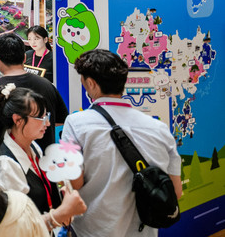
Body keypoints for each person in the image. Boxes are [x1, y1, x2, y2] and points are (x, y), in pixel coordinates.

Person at [61, 49, 182, 237]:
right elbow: (176, 191)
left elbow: (75, 182)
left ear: (91, 83)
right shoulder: (160, 129)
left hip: (93, 230)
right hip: (144, 231)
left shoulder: (75, 124)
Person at [0, 85, 87, 231]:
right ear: (18, 120)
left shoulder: (33, 147)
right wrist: (58, 215)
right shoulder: (6, 164)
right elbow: (18, 225)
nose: (47, 123)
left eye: (46, 116)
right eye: (40, 118)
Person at [0, 33, 68, 150]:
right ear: (25, 58)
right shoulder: (46, 85)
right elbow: (61, 120)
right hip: (44, 156)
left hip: (6, 157)